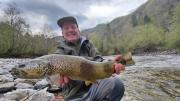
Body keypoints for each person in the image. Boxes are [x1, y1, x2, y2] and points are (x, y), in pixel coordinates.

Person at [55, 16, 125, 101]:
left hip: (93, 87)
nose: (70, 30)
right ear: (62, 33)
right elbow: (54, 76)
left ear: (78, 30)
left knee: (117, 84)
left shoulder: (88, 44)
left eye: (73, 27)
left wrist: (111, 64)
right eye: (66, 28)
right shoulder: (60, 52)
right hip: (74, 95)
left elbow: (98, 59)